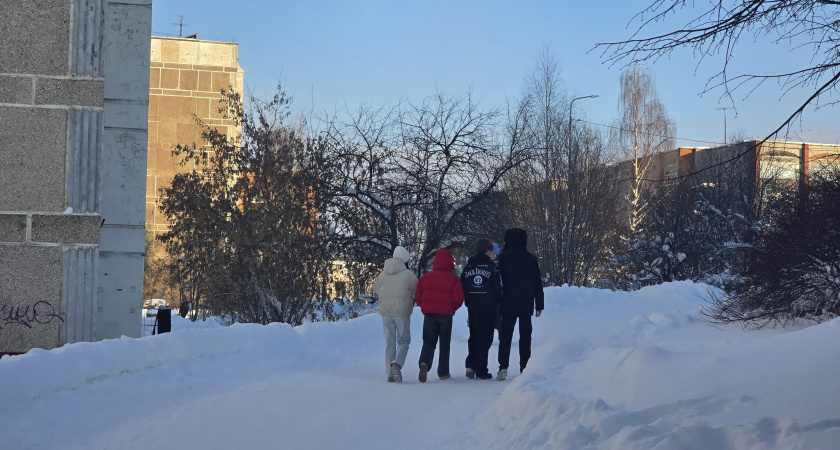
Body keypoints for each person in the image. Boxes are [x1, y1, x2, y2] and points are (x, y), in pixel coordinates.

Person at [496, 228, 544, 381]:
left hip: (507, 301)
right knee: (525, 336)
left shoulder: (503, 258)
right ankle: (524, 366)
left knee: (505, 336)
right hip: (526, 301)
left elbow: (498, 281)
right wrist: (539, 304)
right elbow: (537, 282)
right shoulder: (531, 259)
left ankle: (503, 367)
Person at [414, 248, 464, 383]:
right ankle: (443, 372)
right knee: (444, 343)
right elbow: (459, 298)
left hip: (429, 315)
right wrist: (451, 308)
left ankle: (424, 362)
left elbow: (418, 296)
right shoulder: (453, 279)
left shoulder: (426, 278)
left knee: (429, 341)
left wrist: (425, 307)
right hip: (446, 316)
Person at [372, 246, 418, 383]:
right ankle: (397, 363)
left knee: (389, 342)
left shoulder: (382, 275)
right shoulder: (409, 275)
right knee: (403, 341)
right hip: (402, 312)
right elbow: (416, 290)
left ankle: (390, 374)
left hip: (385, 312)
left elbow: (375, 288)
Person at [461, 239, 502, 380]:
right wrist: (499, 299)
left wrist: (469, 299)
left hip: (473, 306)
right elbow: (497, 288)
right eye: (491, 251)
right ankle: (481, 369)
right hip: (488, 306)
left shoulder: (468, 267)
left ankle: (471, 365)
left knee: (474, 336)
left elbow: (463, 285)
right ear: (487, 251)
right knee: (486, 337)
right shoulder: (492, 267)